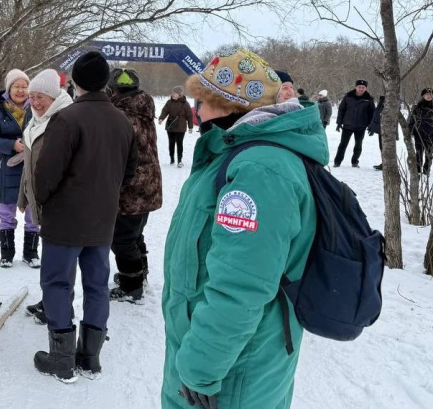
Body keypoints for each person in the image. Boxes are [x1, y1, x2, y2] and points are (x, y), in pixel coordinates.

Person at [162, 49, 322, 409]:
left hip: (232, 369)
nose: (197, 111)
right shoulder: (235, 154)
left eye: (204, 101)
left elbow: (242, 284)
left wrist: (201, 366)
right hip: (221, 356)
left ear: (231, 105)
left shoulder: (258, 170)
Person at [32, 51, 138, 382]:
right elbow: (131, 171)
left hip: (65, 220)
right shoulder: (122, 120)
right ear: (105, 81)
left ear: (75, 82)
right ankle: (90, 357)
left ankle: (63, 358)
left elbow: (46, 174)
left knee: (57, 283)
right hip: (101, 219)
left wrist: (45, 202)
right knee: (96, 286)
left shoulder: (67, 119)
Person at [18, 69, 74, 321]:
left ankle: (59, 309)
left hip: (58, 202)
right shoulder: (34, 122)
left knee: (58, 263)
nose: (36, 102)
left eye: (42, 97)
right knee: (52, 261)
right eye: (32, 96)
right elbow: (28, 164)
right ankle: (50, 302)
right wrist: (23, 196)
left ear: (54, 97)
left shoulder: (63, 121)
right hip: (40, 197)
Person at [107, 68, 162, 303]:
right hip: (148, 185)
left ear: (113, 89)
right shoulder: (143, 110)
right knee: (135, 233)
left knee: (122, 239)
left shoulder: (119, 115)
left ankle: (132, 285)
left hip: (130, 187)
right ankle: (140, 272)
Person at [0, 69, 33, 267]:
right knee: (6, 211)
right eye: (16, 86)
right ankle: (6, 254)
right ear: (9, 88)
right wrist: (11, 145)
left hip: (31, 166)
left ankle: (31, 254)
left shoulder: (37, 106)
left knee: (32, 210)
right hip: (7, 168)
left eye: (24, 86)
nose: (21, 90)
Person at [334, 79, 375, 168]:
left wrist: (371, 126)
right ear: (356, 87)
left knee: (358, 145)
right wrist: (339, 123)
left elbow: (372, 114)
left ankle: (355, 161)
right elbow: (341, 110)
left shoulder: (369, 99)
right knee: (343, 144)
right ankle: (337, 162)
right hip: (348, 125)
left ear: (366, 88)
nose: (361, 89)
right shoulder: (348, 96)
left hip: (361, 126)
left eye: (363, 88)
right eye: (359, 87)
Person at [408, 88, 433, 176]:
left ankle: (426, 170)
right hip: (419, 133)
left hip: (431, 134)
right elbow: (410, 120)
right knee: (419, 152)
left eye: (431, 94)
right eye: (427, 94)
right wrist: (412, 131)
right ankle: (418, 170)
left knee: (430, 153)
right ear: (423, 96)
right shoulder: (417, 107)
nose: (429, 96)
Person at [159, 86, 196, 167]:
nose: (173, 94)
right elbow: (165, 110)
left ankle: (179, 160)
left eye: (175, 93)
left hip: (180, 127)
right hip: (170, 126)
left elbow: (190, 116)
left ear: (179, 95)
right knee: (171, 143)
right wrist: (161, 118)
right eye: (173, 92)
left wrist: (190, 127)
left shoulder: (185, 104)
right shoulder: (169, 102)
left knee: (179, 143)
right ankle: (172, 159)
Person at [368, 95, 399, 171]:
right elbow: (376, 115)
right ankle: (384, 163)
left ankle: (389, 165)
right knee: (382, 147)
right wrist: (372, 128)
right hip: (381, 129)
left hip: (389, 130)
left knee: (388, 148)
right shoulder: (382, 101)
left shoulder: (394, 102)